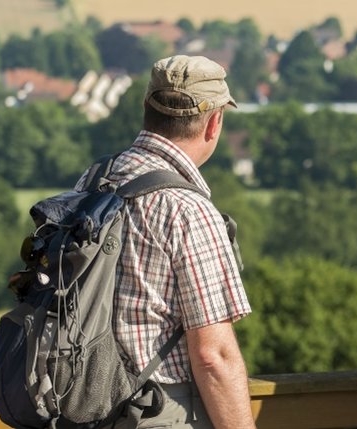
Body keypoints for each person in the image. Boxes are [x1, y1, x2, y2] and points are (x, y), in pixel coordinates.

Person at [74, 55, 255, 429]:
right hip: (156, 411)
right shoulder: (187, 209)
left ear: (146, 109)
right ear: (214, 123)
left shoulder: (94, 181)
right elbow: (213, 356)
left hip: (80, 405)